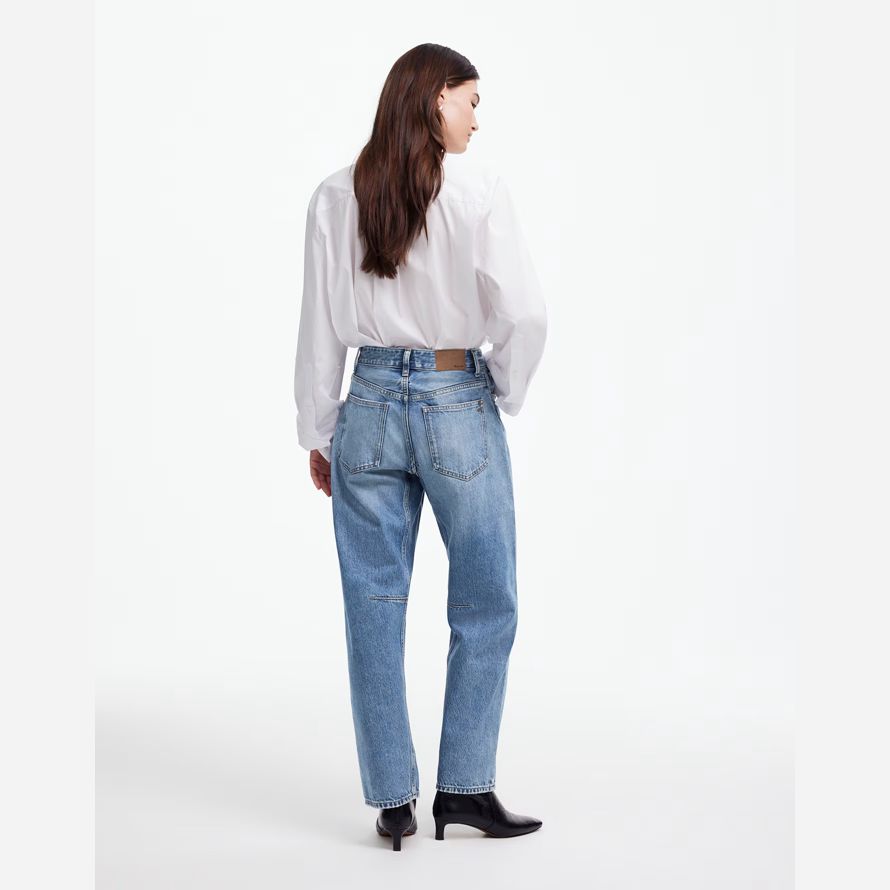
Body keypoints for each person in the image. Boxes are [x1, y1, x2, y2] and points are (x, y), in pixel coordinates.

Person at [293, 43, 547, 851]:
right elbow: (525, 316)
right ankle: (465, 787)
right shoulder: (478, 192)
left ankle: (393, 803)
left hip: (366, 402)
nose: (477, 117)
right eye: (471, 100)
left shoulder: (335, 195)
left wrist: (319, 429)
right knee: (485, 598)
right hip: (454, 396)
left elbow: (319, 325)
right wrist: (497, 389)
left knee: (372, 605)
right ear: (436, 98)